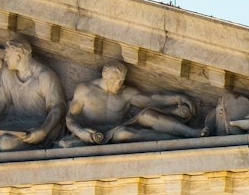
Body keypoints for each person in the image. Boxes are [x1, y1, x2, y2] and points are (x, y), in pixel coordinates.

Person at [64, 60, 201, 144]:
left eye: (121, 81)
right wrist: (81, 132)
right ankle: (172, 141)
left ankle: (190, 132)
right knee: (126, 133)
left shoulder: (126, 93)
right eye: (113, 80)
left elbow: (151, 99)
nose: (117, 84)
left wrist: (177, 98)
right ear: (104, 74)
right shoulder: (85, 90)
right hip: (94, 133)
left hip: (116, 127)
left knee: (148, 115)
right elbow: (71, 117)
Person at [0, 36, 65, 152]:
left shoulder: (44, 76)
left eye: (7, 55)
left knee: (7, 143)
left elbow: (57, 108)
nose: (5, 59)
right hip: (16, 125)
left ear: (19, 56)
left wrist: (43, 132)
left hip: (39, 126)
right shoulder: (8, 74)